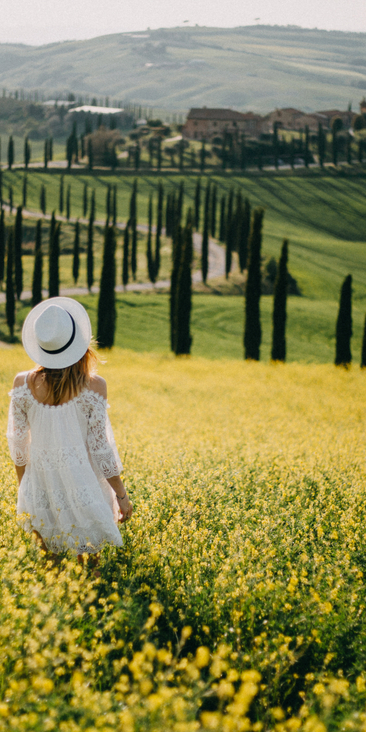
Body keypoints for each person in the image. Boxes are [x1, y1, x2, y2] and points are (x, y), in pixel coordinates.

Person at [7, 296, 133, 564]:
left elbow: (18, 446)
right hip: (83, 487)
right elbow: (101, 450)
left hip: (39, 486)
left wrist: (25, 489)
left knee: (51, 569)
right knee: (91, 571)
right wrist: (122, 495)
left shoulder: (21, 384)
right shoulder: (94, 386)